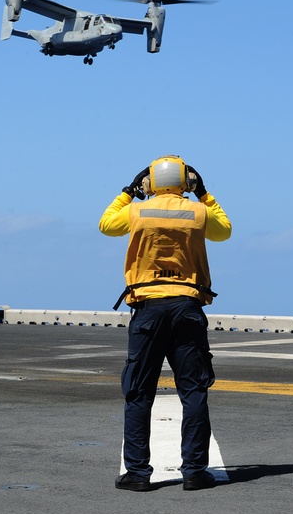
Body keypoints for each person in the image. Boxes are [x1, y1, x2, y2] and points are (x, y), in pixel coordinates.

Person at [99, 155, 232, 492]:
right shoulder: (198, 213)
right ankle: (194, 472)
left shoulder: (137, 211)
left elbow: (106, 225)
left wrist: (129, 192)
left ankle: (139, 474)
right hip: (187, 307)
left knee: (139, 393)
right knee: (194, 391)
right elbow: (224, 232)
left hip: (147, 309)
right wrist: (203, 193)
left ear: (151, 183)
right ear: (186, 181)